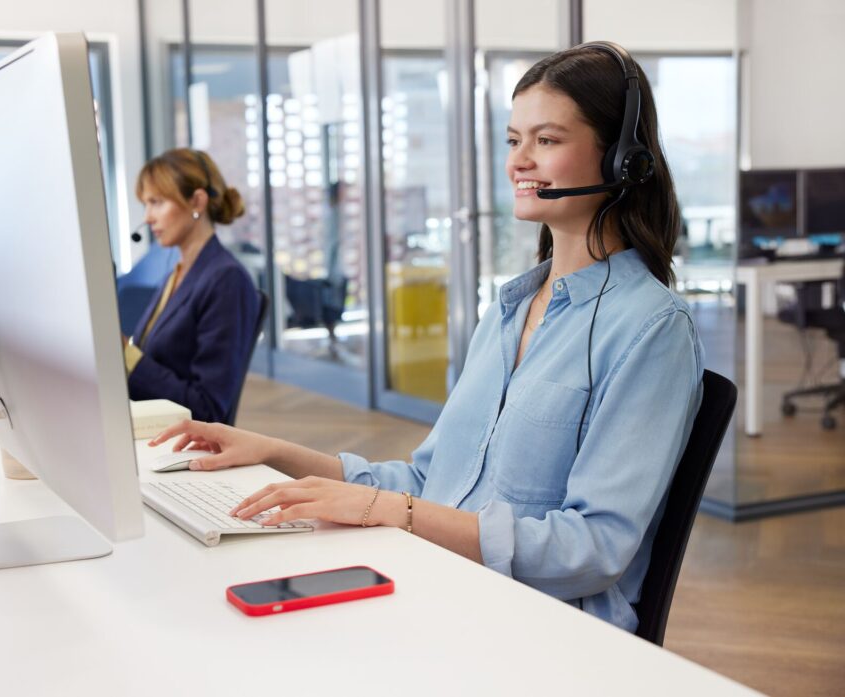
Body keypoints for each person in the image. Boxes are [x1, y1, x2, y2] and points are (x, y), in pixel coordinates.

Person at [150, 43, 704, 633]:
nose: (519, 161)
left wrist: (395, 513)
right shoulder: (511, 311)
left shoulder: (652, 329)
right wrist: (273, 453)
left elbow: (592, 549)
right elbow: (426, 485)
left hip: (539, 628)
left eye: (547, 140)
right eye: (513, 140)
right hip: (440, 582)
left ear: (622, 159)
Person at [125, 149, 260, 424]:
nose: (148, 217)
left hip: (185, 444)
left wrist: (127, 357)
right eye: (146, 204)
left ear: (197, 201)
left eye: (157, 202)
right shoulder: (177, 273)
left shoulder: (226, 280)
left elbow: (208, 407)